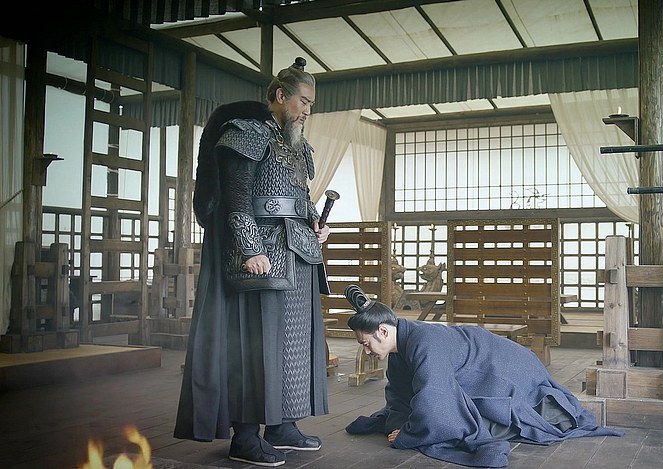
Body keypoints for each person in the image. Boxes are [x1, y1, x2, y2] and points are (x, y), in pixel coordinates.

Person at [174, 57, 330, 467]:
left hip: (298, 254)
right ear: (280, 95)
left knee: (292, 345)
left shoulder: (296, 145)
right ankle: (245, 437)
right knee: (254, 348)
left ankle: (282, 425)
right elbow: (237, 200)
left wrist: (316, 223)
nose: (307, 111)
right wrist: (250, 249)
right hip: (260, 256)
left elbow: (299, 197)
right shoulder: (245, 134)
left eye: (311, 105)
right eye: (303, 101)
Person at [342, 285, 623, 468]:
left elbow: (434, 400)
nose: (366, 351)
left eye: (366, 343)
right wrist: (398, 420)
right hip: (485, 367)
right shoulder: (400, 347)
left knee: (488, 426)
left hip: (507, 372)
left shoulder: (424, 342)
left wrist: (408, 434)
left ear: (383, 331)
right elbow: (400, 395)